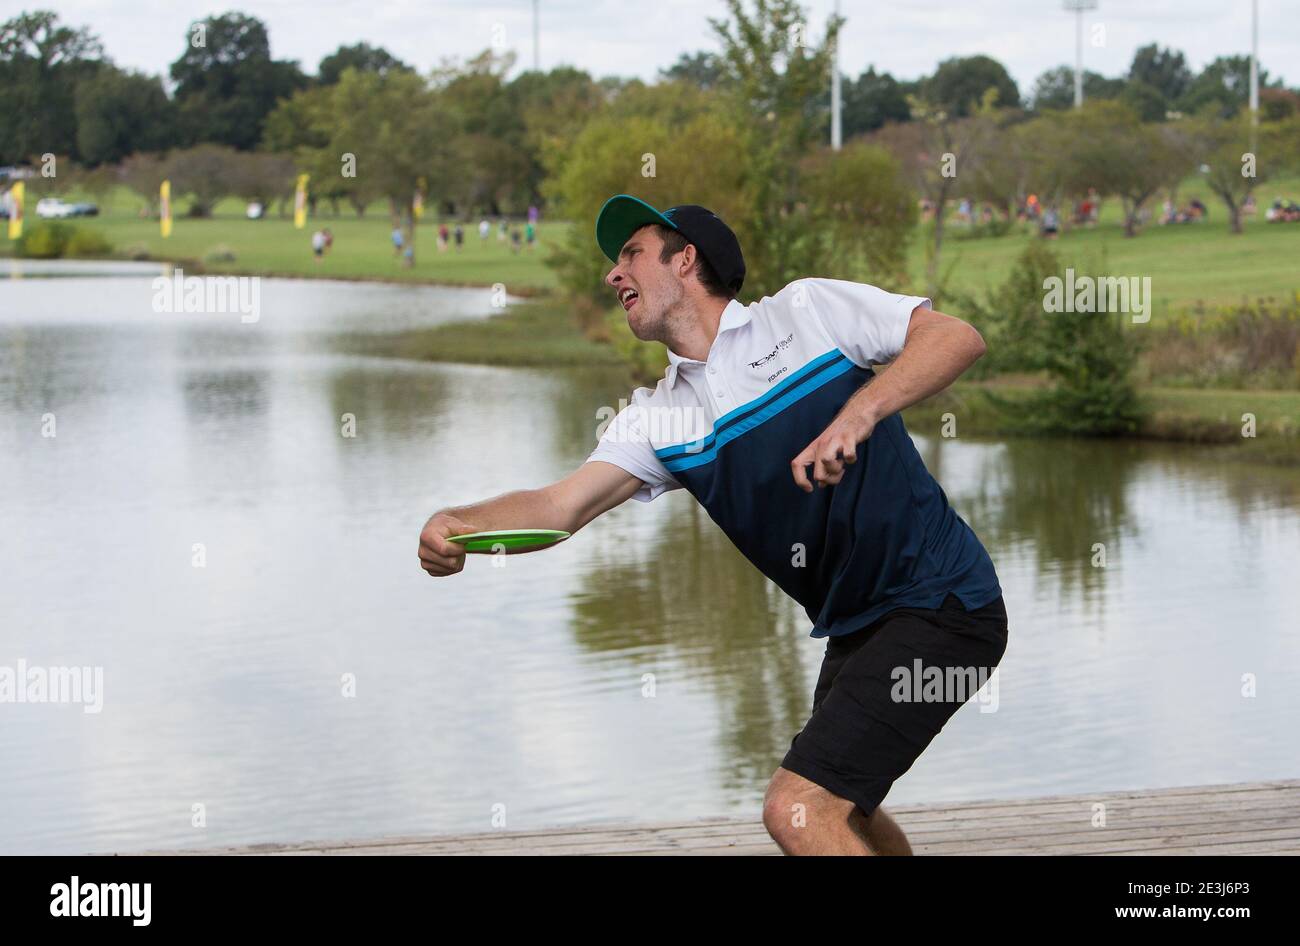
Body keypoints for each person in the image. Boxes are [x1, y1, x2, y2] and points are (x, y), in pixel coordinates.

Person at [418, 195, 1008, 856]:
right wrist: (458, 524)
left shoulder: (807, 314)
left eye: (632, 255)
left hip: (945, 605)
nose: (614, 276)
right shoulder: (660, 418)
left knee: (798, 809)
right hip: (858, 628)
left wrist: (858, 412)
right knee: (845, 808)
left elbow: (956, 336)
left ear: (687, 259)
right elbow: (560, 510)